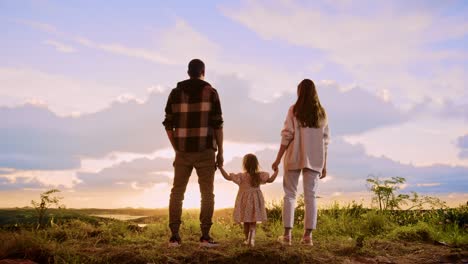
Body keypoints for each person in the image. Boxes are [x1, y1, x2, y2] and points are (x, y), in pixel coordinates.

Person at [162, 59, 224, 247]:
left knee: (177, 192)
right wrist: (220, 152)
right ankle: (205, 237)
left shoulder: (175, 93)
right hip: (205, 150)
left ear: (188, 72)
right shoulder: (211, 93)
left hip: (182, 151)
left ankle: (174, 237)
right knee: (207, 194)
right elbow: (218, 124)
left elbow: (168, 124)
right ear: (203, 71)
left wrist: (176, 148)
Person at [272, 79, 330, 246]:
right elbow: (325, 141)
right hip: (315, 159)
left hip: (293, 157)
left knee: (289, 195)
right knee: (311, 196)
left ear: (299, 92)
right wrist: (324, 164)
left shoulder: (294, 110)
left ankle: (287, 236)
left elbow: (287, 135)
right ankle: (307, 237)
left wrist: (277, 159)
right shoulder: (322, 113)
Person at [218, 153, 278, 247]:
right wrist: (276, 172)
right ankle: (251, 240)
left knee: (246, 222)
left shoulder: (241, 176)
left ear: (244, 165)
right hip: (255, 201)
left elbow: (227, 177)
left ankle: (247, 239)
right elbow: (271, 180)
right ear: (256, 164)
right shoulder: (259, 176)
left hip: (245, 201)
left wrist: (220, 168)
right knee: (253, 221)